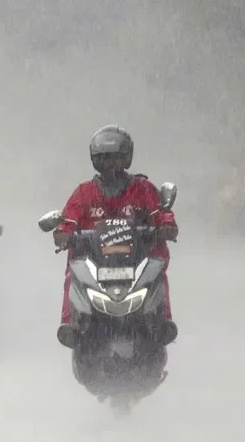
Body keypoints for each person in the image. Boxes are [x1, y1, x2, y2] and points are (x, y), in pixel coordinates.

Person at [53, 125, 179, 349]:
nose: (111, 165)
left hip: (138, 257)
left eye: (116, 159)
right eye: (104, 159)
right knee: (72, 268)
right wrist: (64, 234)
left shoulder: (143, 188)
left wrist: (166, 226)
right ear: (95, 161)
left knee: (159, 261)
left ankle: (162, 320)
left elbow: (161, 213)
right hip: (95, 260)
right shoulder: (84, 192)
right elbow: (67, 220)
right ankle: (70, 321)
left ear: (127, 159)